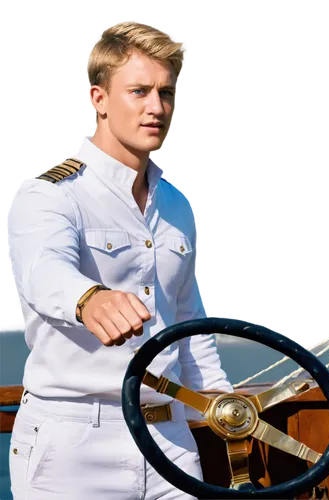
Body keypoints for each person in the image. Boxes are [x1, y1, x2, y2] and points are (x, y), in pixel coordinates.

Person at [5, 20, 233, 500]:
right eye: (139, 91)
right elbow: (42, 272)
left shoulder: (175, 204)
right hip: (75, 442)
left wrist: (221, 402)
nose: (157, 107)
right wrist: (90, 299)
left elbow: (186, 318)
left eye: (166, 94)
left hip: (170, 437)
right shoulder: (49, 194)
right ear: (98, 99)